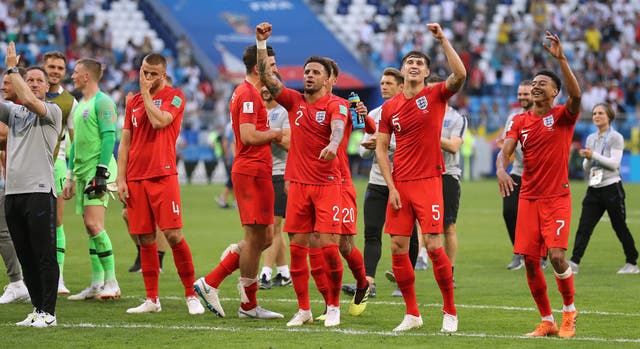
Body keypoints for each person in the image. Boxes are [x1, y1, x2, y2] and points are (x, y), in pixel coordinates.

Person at [375, 23, 466, 332]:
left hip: (429, 181)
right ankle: (412, 313)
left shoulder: (436, 95)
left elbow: (461, 75)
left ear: (426, 72)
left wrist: (443, 39)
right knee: (399, 248)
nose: (413, 66)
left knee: (434, 245)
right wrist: (391, 186)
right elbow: (381, 148)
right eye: (409, 63)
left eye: (419, 64)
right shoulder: (390, 108)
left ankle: (450, 312)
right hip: (400, 184)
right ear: (403, 71)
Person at [256, 22, 347, 328]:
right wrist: (260, 44)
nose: (309, 75)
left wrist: (334, 145)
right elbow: (266, 77)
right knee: (296, 248)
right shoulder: (293, 101)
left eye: (315, 72)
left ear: (327, 79)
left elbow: (337, 129)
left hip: (327, 184)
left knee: (328, 247)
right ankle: (304, 309)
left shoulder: (337, 104)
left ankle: (333, 305)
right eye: (306, 71)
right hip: (297, 185)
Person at [496, 31, 581, 338]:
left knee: (557, 257)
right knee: (531, 263)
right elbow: (505, 152)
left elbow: (577, 96)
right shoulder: (519, 121)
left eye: (542, 83)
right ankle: (547, 320)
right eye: (533, 83)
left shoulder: (562, 117)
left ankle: (569, 311)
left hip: (557, 197)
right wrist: (501, 170)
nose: (535, 86)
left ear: (555, 92)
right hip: (528, 198)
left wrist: (560, 59)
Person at [193, 44, 283, 319]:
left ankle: (237, 293)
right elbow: (247, 135)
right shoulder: (247, 94)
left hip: (258, 170)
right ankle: (218, 287)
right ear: (258, 69)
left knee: (264, 237)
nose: (275, 70)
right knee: (257, 239)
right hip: (251, 171)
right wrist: (277, 133)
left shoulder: (252, 93)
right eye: (271, 66)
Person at [117, 53, 204, 315]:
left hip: (162, 175)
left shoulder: (175, 96)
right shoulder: (132, 102)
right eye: (144, 71)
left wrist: (144, 94)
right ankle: (152, 299)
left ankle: (191, 294)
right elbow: (125, 142)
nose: (147, 77)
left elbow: (159, 121)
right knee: (144, 238)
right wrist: (121, 177)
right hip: (135, 177)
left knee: (173, 235)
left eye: (153, 74)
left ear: (163, 75)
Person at [0, 42, 62, 327]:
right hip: (12, 193)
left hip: (39, 192)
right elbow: (13, 102)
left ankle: (49, 312)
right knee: (25, 256)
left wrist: (13, 68)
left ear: (47, 87)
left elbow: (26, 100)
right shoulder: (14, 115)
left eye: (40, 80)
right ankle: (37, 309)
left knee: (44, 255)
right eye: (31, 80)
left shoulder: (51, 112)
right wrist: (11, 75)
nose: (35, 84)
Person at [63, 58, 120, 301]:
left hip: (98, 170)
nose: (72, 76)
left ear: (86, 76)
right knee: (89, 226)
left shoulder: (103, 101)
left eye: (76, 72)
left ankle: (112, 282)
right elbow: (76, 144)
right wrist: (70, 176)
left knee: (95, 225)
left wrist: (101, 172)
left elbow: (109, 137)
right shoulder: (80, 105)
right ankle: (97, 284)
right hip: (83, 171)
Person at [568, 103, 639, 274]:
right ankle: (574, 262)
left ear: (609, 116)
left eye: (600, 113)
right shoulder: (591, 138)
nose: (596, 116)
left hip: (611, 187)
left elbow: (615, 164)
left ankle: (632, 262)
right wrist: (587, 158)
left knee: (619, 226)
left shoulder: (616, 137)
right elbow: (587, 167)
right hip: (594, 186)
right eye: (594, 113)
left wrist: (594, 155)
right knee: (584, 226)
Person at [42, 50, 77, 295]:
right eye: (51, 67)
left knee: (56, 221)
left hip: (57, 163)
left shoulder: (69, 102)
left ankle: (59, 277)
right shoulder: (30, 95)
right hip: (29, 165)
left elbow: (74, 140)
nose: (55, 71)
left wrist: (73, 174)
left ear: (64, 72)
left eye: (59, 68)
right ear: (43, 67)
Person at [430, 75, 467, 287]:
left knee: (448, 226)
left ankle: (448, 272)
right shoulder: (419, 113)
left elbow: (453, 146)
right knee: (416, 224)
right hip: (422, 175)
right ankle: (415, 263)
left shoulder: (455, 118)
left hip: (447, 175)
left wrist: (429, 133)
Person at [0, 68, 29, 305]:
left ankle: (19, 282)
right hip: (12, 179)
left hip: (25, 182)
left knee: (5, 232)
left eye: (7, 83)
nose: (3, 87)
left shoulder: (23, 108)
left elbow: (5, 135)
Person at [258, 85, 292, 290]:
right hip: (263, 173)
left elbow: (289, 143)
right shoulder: (260, 111)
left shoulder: (285, 112)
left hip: (281, 173)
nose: (265, 90)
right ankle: (284, 272)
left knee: (273, 226)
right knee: (271, 226)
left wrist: (268, 134)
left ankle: (265, 272)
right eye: (262, 87)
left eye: (269, 86)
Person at [499, 80, 533, 270]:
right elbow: (507, 145)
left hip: (539, 176)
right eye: (520, 94)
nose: (522, 97)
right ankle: (518, 252)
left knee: (535, 218)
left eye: (526, 94)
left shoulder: (541, 116)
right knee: (509, 211)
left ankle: (540, 254)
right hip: (517, 172)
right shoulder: (513, 117)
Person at [215, 121, 235, 209]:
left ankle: (234, 200)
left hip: (232, 156)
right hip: (233, 157)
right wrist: (227, 156)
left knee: (233, 180)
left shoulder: (230, 125)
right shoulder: (230, 126)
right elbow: (225, 141)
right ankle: (223, 198)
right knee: (232, 179)